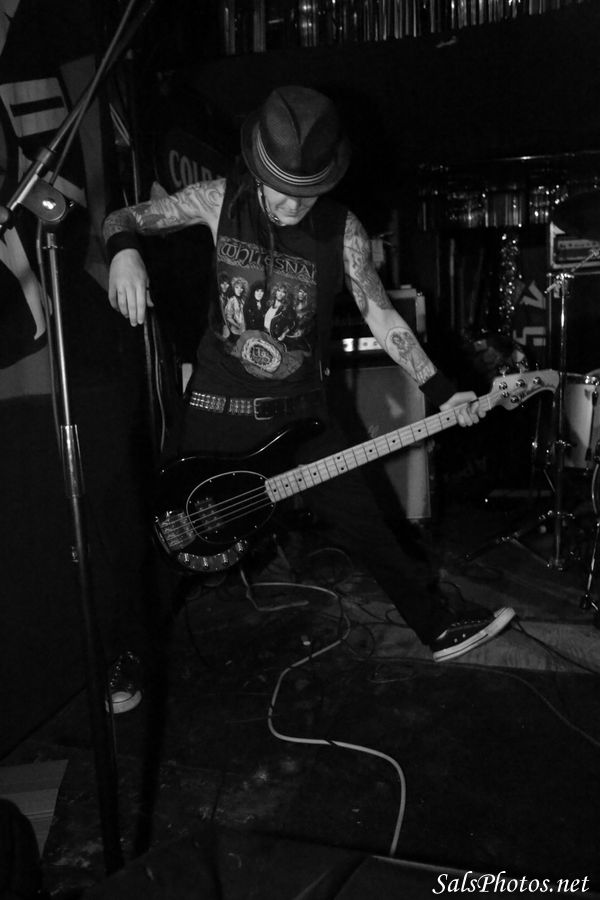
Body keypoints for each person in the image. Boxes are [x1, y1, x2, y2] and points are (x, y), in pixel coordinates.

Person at [102, 84, 515, 663]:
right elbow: (123, 216)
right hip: (216, 411)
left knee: (371, 526)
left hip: (303, 418)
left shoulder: (344, 229)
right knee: (169, 539)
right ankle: (125, 659)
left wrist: (441, 391)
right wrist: (124, 249)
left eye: (308, 192)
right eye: (283, 190)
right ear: (258, 166)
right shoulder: (219, 199)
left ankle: (436, 627)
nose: (294, 206)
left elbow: (380, 314)